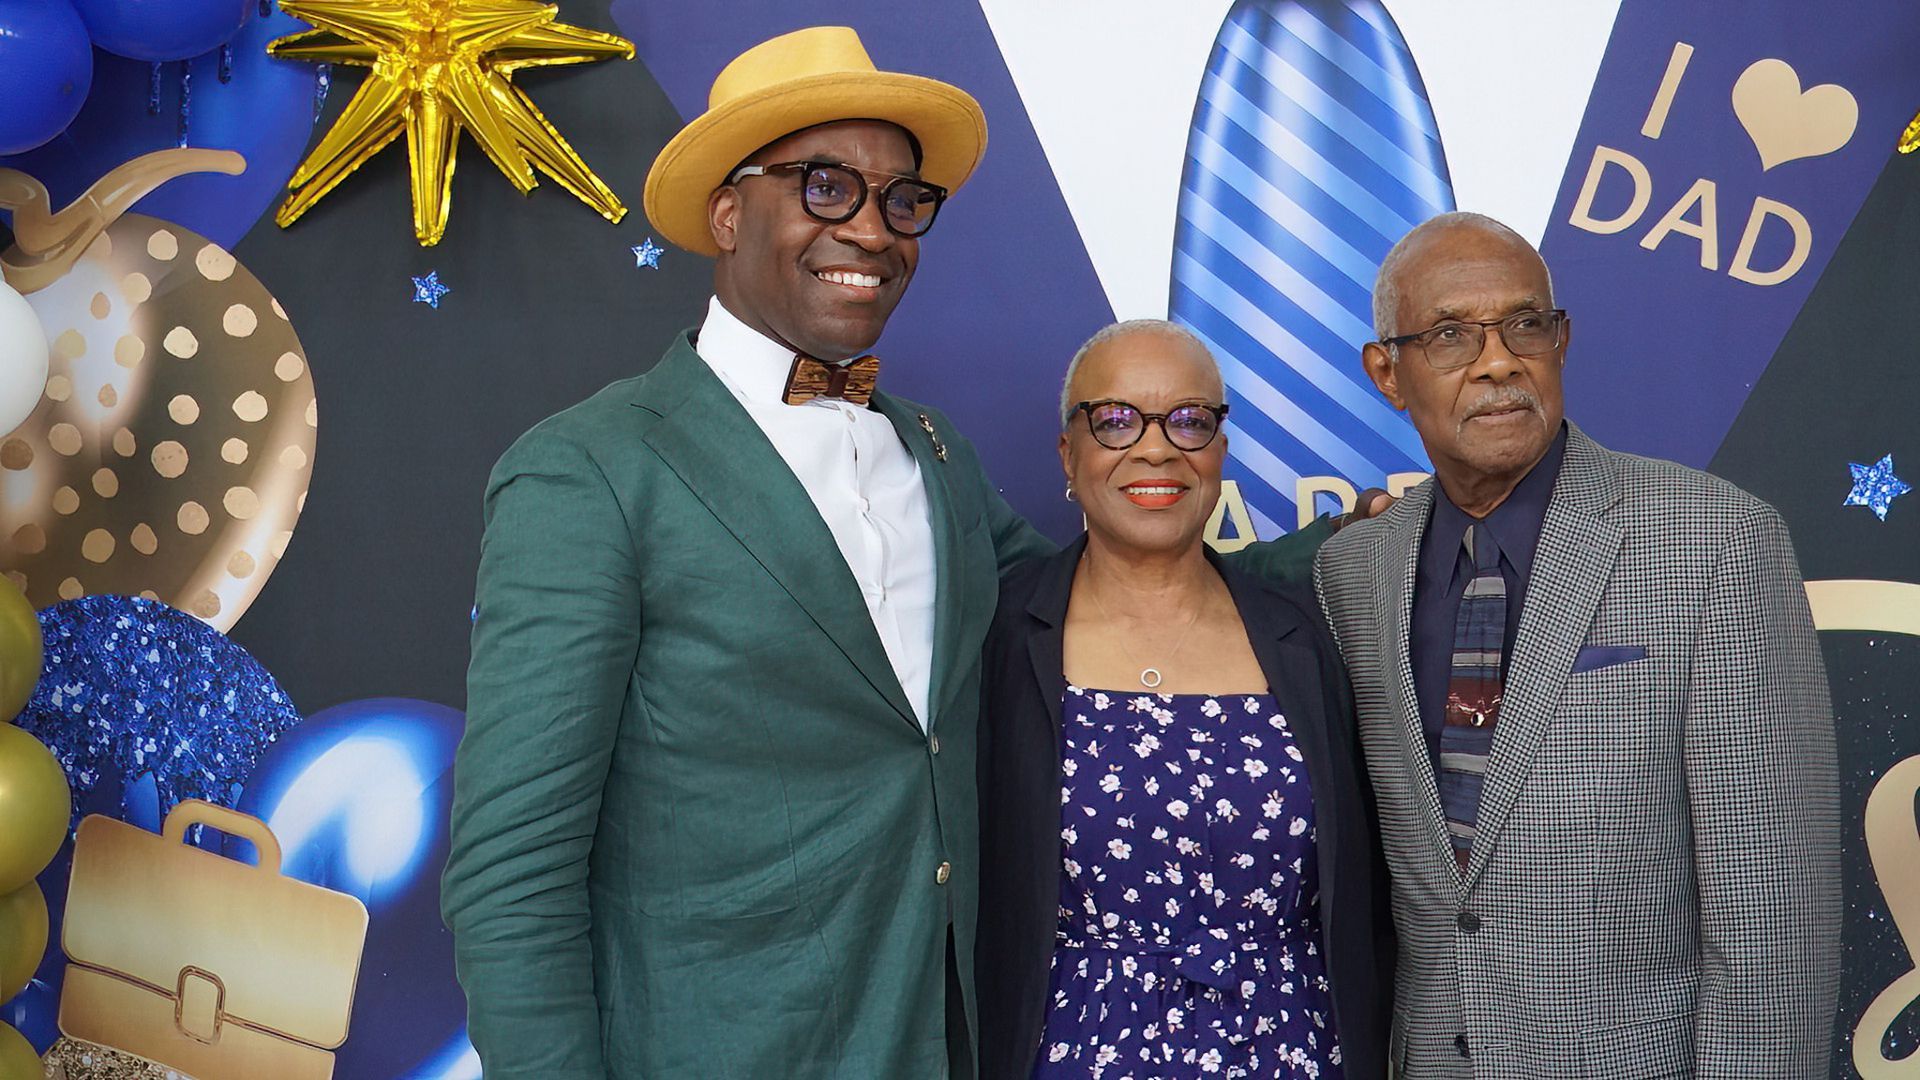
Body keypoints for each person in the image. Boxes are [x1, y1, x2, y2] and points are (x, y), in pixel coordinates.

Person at [441, 27, 1339, 1079]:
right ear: (727, 214)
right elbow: (513, 874)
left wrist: (1357, 547)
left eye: (900, 200)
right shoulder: (590, 472)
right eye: (826, 186)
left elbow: (1094, 590)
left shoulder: (933, 453)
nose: (870, 228)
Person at [1313, 211, 1841, 1078]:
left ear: (1562, 341)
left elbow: (1773, 919)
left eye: (1526, 324)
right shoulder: (1353, 573)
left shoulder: (1712, 541)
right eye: (1450, 335)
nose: (1497, 361)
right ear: (1387, 373)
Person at [977, 320, 1389, 1080]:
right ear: (1069, 453)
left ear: (1220, 454)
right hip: (1077, 1051)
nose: (1157, 447)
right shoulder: (999, 640)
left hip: (1291, 1051)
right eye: (1117, 419)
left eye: (1190, 421)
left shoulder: (1306, 636)